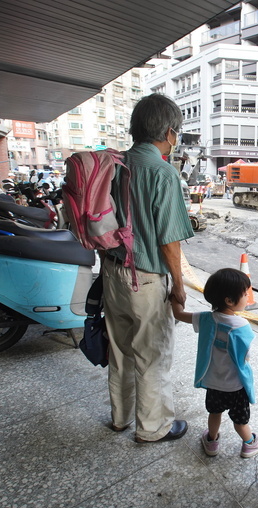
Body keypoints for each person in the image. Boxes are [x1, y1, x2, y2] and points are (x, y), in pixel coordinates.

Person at [102, 93, 195, 443]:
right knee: (152, 354)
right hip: (146, 278)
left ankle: (120, 418)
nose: (176, 139)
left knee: (121, 350)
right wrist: (179, 285)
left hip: (112, 272)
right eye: (178, 133)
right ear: (169, 132)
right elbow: (169, 241)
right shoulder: (163, 172)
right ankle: (153, 428)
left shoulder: (113, 165)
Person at [170, 268, 258, 458]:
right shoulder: (241, 326)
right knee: (240, 421)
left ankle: (211, 441)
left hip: (213, 383)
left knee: (214, 413)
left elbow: (178, 314)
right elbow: (246, 356)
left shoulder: (205, 318)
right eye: (245, 294)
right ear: (229, 301)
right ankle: (249, 443)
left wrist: (176, 295)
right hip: (236, 386)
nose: (247, 297)